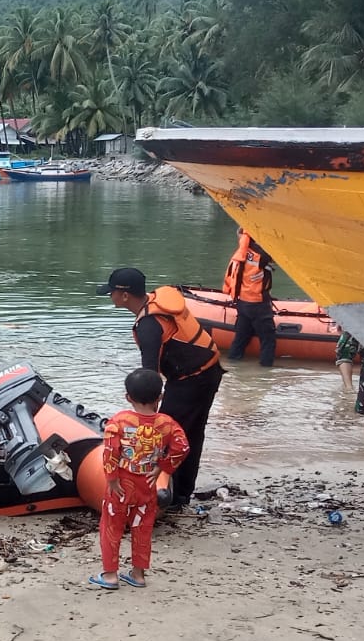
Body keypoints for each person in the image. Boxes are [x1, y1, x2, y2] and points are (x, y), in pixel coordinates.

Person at [98, 267, 223, 509]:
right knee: (190, 434)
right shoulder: (154, 303)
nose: (110, 296)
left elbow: (150, 376)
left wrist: (143, 413)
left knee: (167, 436)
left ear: (125, 296)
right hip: (207, 370)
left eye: (112, 292)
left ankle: (165, 494)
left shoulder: (149, 326)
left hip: (192, 380)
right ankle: (181, 495)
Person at [90, 369, 190, 590]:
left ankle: (110, 575)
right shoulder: (166, 423)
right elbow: (182, 447)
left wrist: (112, 478)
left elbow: (110, 451)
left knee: (111, 526)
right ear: (160, 397)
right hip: (147, 483)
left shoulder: (119, 421)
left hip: (121, 484)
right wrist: (163, 468)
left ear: (128, 397)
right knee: (142, 526)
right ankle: (138, 574)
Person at [223, 228, 278, 366]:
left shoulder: (240, 254)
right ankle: (265, 373)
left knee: (240, 339)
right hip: (258, 304)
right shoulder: (262, 254)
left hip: (242, 302)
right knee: (268, 340)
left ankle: (233, 365)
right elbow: (281, 257)